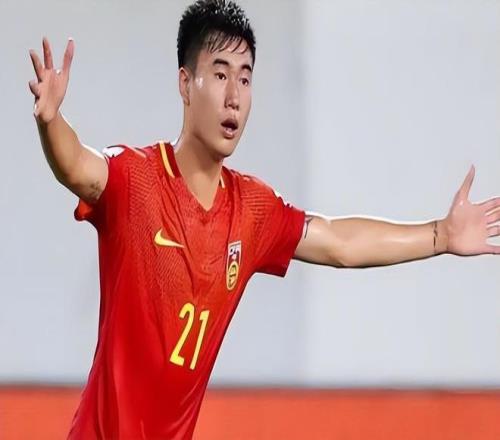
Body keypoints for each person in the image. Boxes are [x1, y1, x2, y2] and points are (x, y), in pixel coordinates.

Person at [28, 0, 500, 438]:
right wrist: (50, 121)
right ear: (185, 84)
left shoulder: (252, 211)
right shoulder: (138, 179)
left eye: (245, 78)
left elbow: (338, 242)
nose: (234, 96)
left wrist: (440, 235)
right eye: (219, 74)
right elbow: (78, 166)